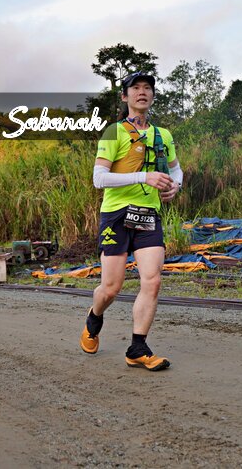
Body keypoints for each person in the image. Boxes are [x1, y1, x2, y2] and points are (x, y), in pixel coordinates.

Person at [80, 71, 183, 371]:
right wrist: (143, 177)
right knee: (111, 288)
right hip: (116, 214)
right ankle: (94, 317)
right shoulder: (115, 132)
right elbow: (99, 178)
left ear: (152, 96)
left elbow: (176, 170)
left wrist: (176, 186)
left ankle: (137, 347)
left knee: (153, 280)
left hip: (148, 214)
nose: (142, 92)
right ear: (125, 96)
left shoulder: (163, 135)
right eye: (135, 88)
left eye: (147, 88)